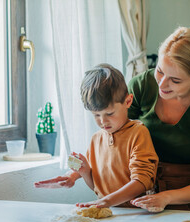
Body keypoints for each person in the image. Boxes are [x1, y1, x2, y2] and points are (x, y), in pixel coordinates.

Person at [128, 27, 190, 211]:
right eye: (159, 71)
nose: (162, 83)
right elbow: (116, 142)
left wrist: (165, 197)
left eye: (175, 80)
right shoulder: (140, 86)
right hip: (141, 200)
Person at [34, 64, 159, 208]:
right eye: (96, 115)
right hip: (110, 211)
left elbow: (142, 182)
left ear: (128, 101)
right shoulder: (96, 139)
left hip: (139, 213)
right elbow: (94, 182)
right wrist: (72, 176)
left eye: (109, 113)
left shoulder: (138, 133)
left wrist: (106, 201)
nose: (103, 121)